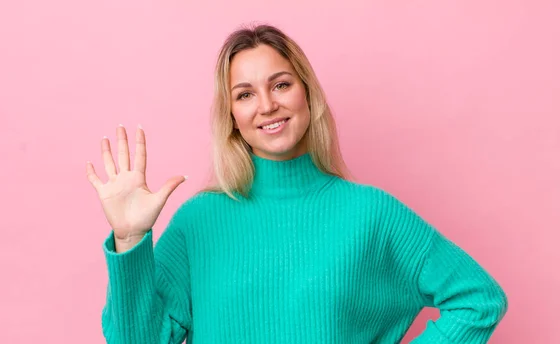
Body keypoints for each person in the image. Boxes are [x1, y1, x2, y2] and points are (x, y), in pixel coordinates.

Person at [86, 24, 508, 343]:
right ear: (231, 115)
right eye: (245, 94)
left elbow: (479, 299)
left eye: (281, 85)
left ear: (307, 92)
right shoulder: (198, 222)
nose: (268, 105)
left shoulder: (371, 215)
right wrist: (130, 238)